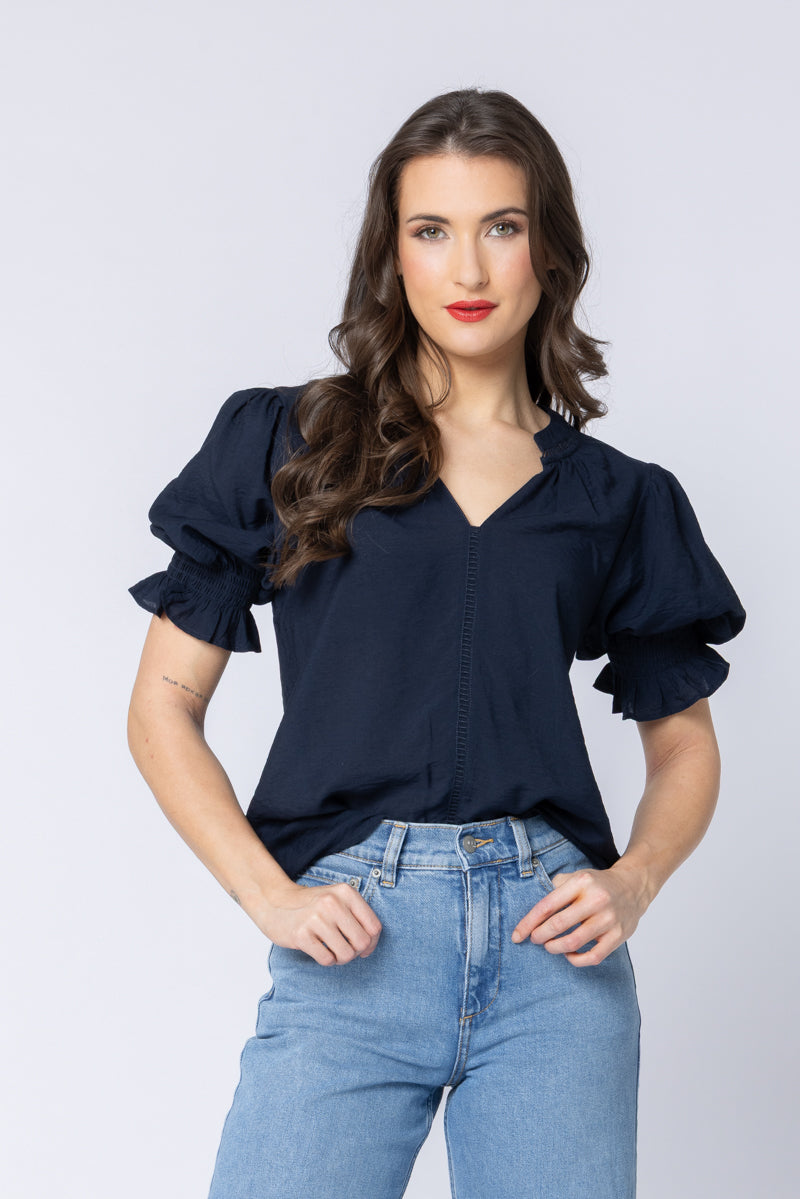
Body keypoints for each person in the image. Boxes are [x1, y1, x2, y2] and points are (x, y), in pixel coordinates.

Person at [127, 88, 746, 1199]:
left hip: (553, 960)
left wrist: (634, 881)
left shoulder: (618, 498)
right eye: (431, 229)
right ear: (392, 252)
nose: (467, 268)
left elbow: (683, 742)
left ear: (548, 249)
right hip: (351, 943)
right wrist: (269, 896)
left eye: (500, 226)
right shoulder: (289, 442)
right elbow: (162, 707)